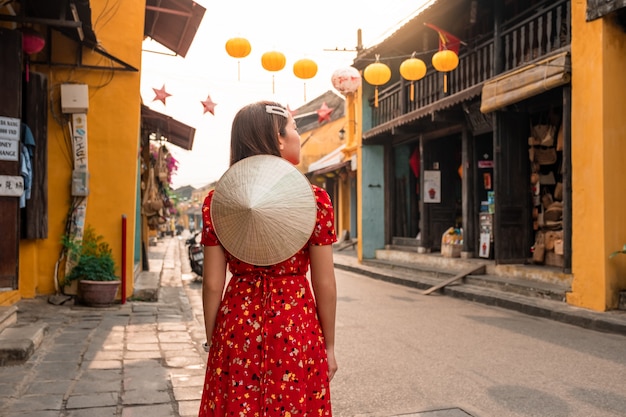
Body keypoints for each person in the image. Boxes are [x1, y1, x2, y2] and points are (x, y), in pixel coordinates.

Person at [198, 101, 338, 416]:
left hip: (237, 324)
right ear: (278, 139)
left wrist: (214, 341)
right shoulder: (314, 201)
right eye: (295, 128)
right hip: (294, 325)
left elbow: (211, 284)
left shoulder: (218, 201)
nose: (299, 136)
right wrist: (328, 347)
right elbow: (325, 283)